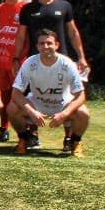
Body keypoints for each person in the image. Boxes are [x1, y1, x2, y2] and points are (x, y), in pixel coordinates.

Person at [7, 29, 90, 157]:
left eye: (49, 43)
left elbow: (81, 95)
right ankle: (24, 139)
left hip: (62, 104)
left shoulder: (67, 64)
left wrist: (64, 113)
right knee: (12, 108)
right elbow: (16, 93)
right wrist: (31, 112)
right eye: (42, 43)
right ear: (37, 46)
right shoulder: (30, 63)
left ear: (57, 45)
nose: (45, 46)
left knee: (83, 112)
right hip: (37, 104)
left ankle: (75, 142)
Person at [18, 0, 88, 72]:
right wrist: (16, 59)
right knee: (37, 88)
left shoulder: (64, 6)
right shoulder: (27, 9)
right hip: (35, 58)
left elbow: (73, 33)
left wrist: (81, 57)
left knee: (62, 88)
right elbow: (21, 37)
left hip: (60, 57)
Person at [0, 0, 26, 142]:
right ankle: (4, 129)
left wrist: (20, 58)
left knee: (21, 96)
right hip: (2, 60)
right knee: (4, 97)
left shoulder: (26, 8)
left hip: (19, 61)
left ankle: (28, 132)